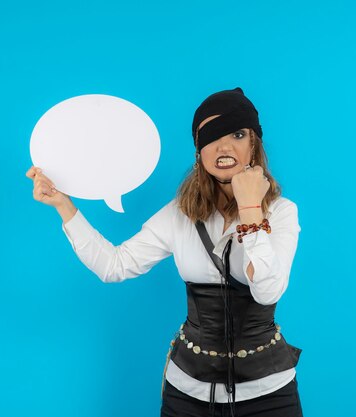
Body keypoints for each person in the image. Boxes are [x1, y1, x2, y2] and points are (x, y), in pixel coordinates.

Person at [26, 87, 304, 416]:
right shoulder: (179, 214)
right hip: (188, 391)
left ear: (254, 145)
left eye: (238, 134)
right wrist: (63, 206)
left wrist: (250, 208)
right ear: (199, 152)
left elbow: (267, 289)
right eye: (211, 136)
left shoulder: (281, 213)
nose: (224, 146)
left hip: (268, 391)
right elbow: (114, 266)